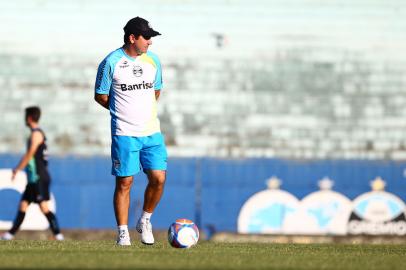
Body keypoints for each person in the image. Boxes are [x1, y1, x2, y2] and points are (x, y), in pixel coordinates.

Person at [94, 16, 167, 246]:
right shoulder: (111, 62)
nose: (150, 42)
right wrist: (121, 110)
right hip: (125, 133)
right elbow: (101, 95)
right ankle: (123, 233)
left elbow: (156, 91)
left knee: (159, 178)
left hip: (152, 132)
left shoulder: (153, 61)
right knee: (124, 183)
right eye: (147, 37)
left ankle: (145, 220)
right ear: (132, 38)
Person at [1, 106, 64, 241]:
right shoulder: (36, 133)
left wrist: (17, 169)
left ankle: (58, 235)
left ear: (29, 118)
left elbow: (31, 153)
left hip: (38, 177)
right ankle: (9, 235)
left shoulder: (36, 134)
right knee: (23, 205)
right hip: (33, 178)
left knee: (44, 207)